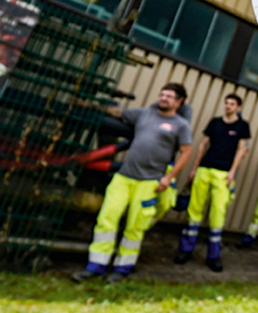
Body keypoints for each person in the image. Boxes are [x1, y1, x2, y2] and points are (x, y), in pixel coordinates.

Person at [72, 83, 192, 283]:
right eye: (162, 94)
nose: (163, 98)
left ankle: (122, 269)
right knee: (107, 217)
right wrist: (86, 105)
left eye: (169, 96)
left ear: (179, 102)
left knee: (135, 225)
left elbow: (186, 152)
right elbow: (117, 113)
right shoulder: (144, 114)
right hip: (124, 176)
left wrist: (168, 178)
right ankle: (95, 266)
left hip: (149, 182)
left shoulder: (181, 125)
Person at [175, 94, 251, 272]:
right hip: (204, 169)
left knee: (217, 214)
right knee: (194, 210)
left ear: (238, 107)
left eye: (232, 104)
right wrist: (194, 168)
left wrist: (232, 172)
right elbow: (203, 145)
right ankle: (185, 250)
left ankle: (213, 256)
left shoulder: (243, 126)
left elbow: (242, 150)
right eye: (226, 103)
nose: (228, 106)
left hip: (223, 174)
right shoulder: (215, 122)